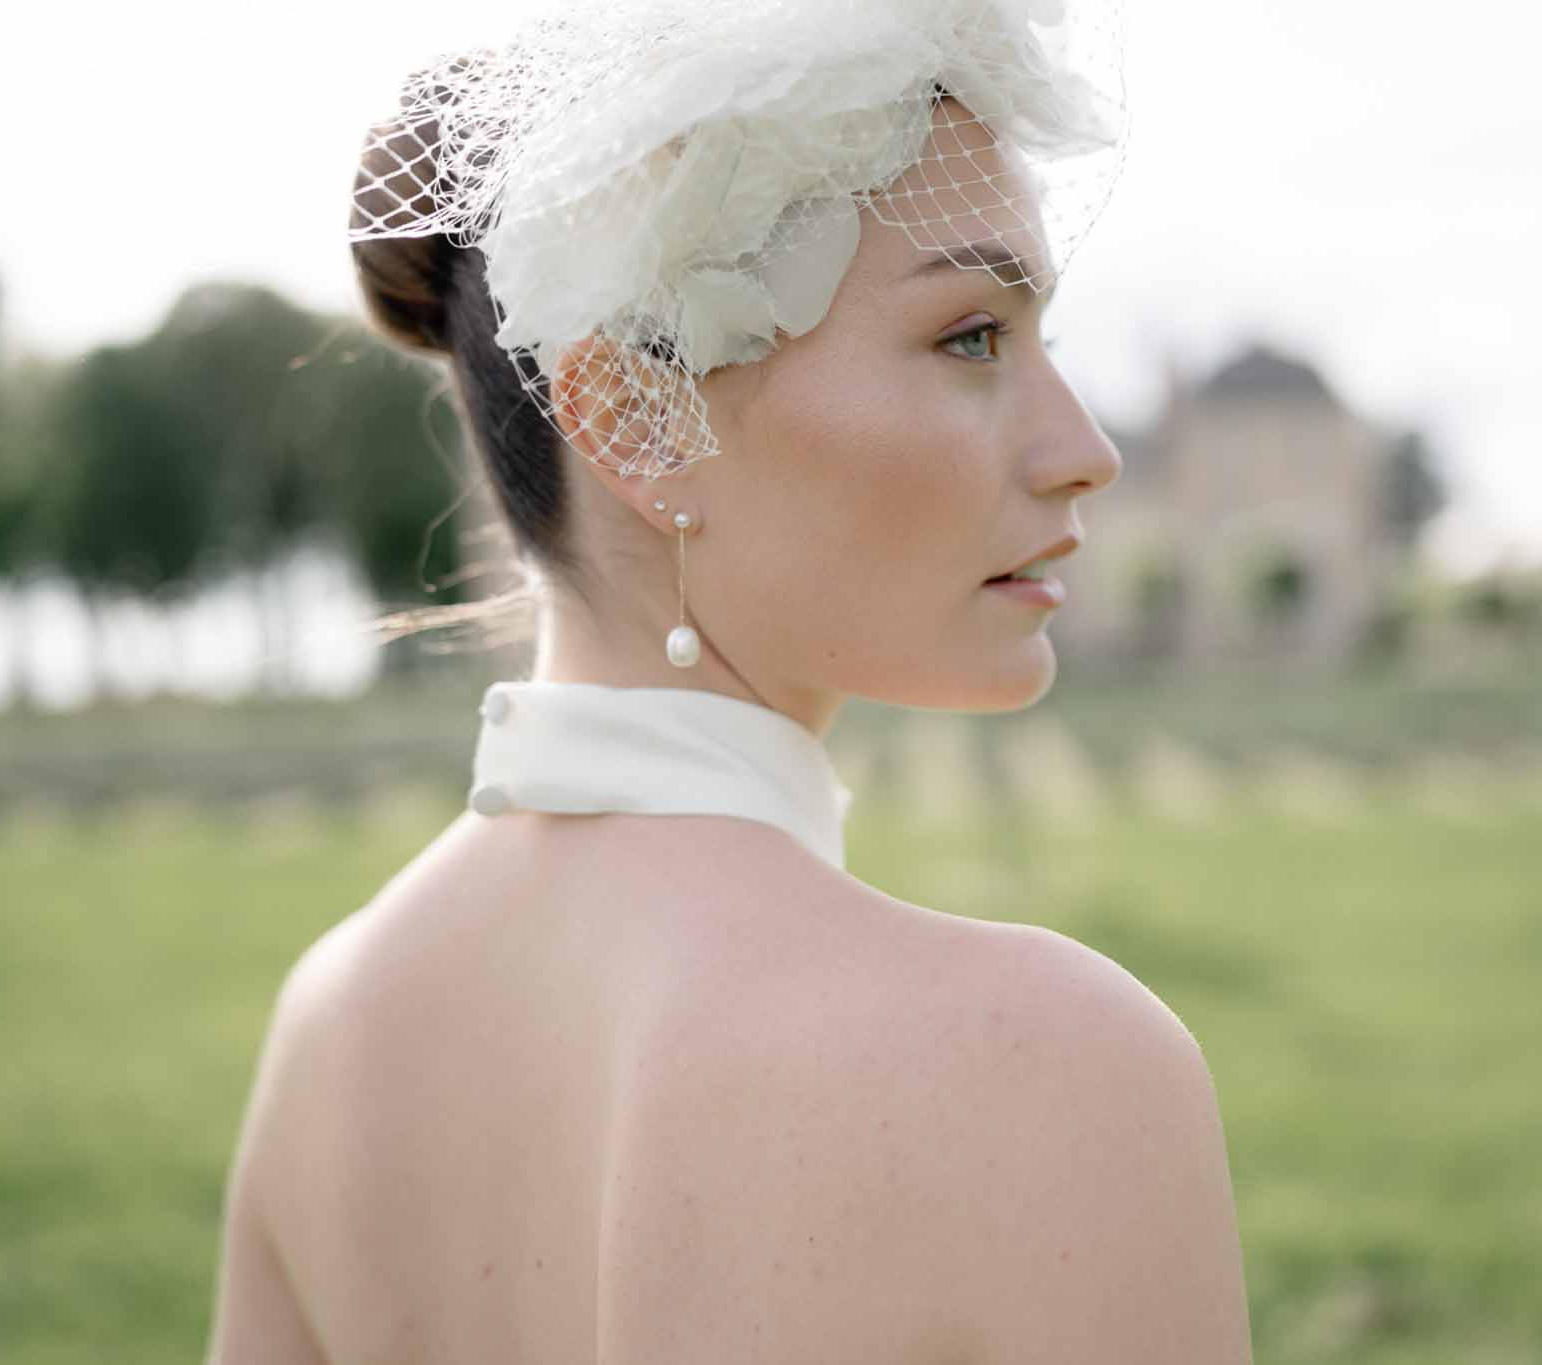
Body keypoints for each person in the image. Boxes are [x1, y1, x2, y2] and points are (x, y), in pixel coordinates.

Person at [205, 2, 1252, 1360]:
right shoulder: (1051, 1063)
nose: (1086, 447)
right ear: (639, 419)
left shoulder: (328, 1033)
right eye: (971, 336)